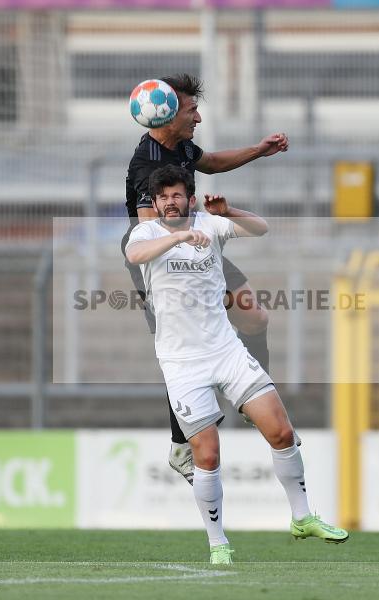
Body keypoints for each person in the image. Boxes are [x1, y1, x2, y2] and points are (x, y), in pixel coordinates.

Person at [125, 166, 348, 564]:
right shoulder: (148, 234)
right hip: (181, 363)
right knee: (207, 456)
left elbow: (261, 228)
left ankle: (302, 518)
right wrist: (177, 236)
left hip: (226, 351)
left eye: (177, 195)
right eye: (163, 197)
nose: (170, 201)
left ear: (189, 198)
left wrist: (230, 212)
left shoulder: (211, 225)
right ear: (155, 203)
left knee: (281, 432)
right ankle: (218, 543)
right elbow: (133, 254)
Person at [122, 73, 293, 485]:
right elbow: (151, 232)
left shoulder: (179, 146)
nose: (198, 117)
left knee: (254, 316)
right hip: (160, 259)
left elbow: (211, 162)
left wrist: (259, 150)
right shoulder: (147, 166)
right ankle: (180, 442)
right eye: (192, 109)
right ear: (167, 112)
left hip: (196, 243)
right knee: (181, 342)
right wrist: (194, 249)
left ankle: (253, 398)